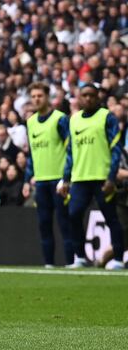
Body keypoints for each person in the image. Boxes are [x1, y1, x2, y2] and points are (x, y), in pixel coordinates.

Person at [58, 83, 125, 269]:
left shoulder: (107, 117)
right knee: (73, 214)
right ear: (79, 97)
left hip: (102, 177)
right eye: (84, 95)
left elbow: (116, 149)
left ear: (98, 98)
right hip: (80, 178)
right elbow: (70, 152)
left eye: (92, 95)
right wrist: (65, 179)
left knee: (111, 217)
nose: (88, 98)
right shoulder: (74, 120)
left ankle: (118, 259)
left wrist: (111, 177)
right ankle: (79, 257)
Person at [22, 82, 73, 267]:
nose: (36, 99)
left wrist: (66, 178)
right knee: (44, 225)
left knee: (64, 224)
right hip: (41, 182)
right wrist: (28, 179)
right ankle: (49, 265)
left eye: (40, 96)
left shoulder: (60, 119)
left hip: (58, 181)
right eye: (33, 96)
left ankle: (71, 263)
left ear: (47, 97)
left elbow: (70, 149)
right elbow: (31, 155)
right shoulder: (30, 122)